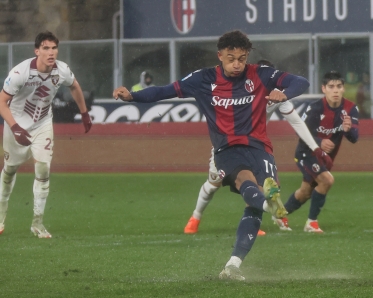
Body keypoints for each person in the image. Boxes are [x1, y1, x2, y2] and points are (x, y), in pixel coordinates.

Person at [113, 30, 315, 281]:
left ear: (247, 56)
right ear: (220, 56)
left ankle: (232, 265)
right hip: (226, 150)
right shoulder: (203, 79)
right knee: (246, 183)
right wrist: (132, 96)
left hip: (260, 147)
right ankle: (268, 205)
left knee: (255, 203)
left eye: (242, 58)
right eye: (231, 58)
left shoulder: (260, 75)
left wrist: (284, 93)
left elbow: (300, 82)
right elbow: (164, 91)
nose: (237, 64)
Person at [183, 59, 331, 236]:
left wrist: (315, 148)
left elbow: (297, 122)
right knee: (213, 184)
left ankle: (257, 221)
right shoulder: (239, 91)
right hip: (226, 146)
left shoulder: (276, 96)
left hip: (254, 146)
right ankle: (195, 217)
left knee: (266, 182)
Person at [0, 31, 92, 238]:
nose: (51, 53)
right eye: (46, 48)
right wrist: (14, 127)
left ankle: (37, 224)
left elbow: (75, 86)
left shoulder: (62, 70)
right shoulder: (20, 73)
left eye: (54, 48)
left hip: (42, 124)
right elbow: (1, 102)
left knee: (43, 170)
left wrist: (84, 113)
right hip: (16, 124)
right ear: (37, 51)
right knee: (10, 170)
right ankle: (0, 219)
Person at [276, 71, 358, 233]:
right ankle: (311, 223)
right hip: (306, 153)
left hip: (325, 158)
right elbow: (301, 133)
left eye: (339, 86)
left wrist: (348, 131)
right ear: (324, 89)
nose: (335, 90)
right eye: (331, 86)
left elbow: (354, 138)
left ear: (343, 89)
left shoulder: (350, 108)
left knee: (305, 192)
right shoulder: (315, 108)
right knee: (327, 181)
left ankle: (280, 214)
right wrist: (320, 142)